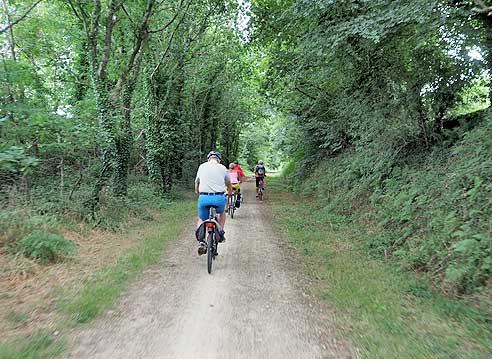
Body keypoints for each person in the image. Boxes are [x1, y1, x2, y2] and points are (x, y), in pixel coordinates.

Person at [195, 151, 232, 255]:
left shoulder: (202, 167)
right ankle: (219, 234)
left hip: (204, 197)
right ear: (219, 160)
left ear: (208, 159)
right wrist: (229, 194)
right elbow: (229, 184)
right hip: (219, 198)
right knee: (222, 214)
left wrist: (198, 192)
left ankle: (201, 241)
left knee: (201, 218)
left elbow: (196, 184)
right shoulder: (223, 168)